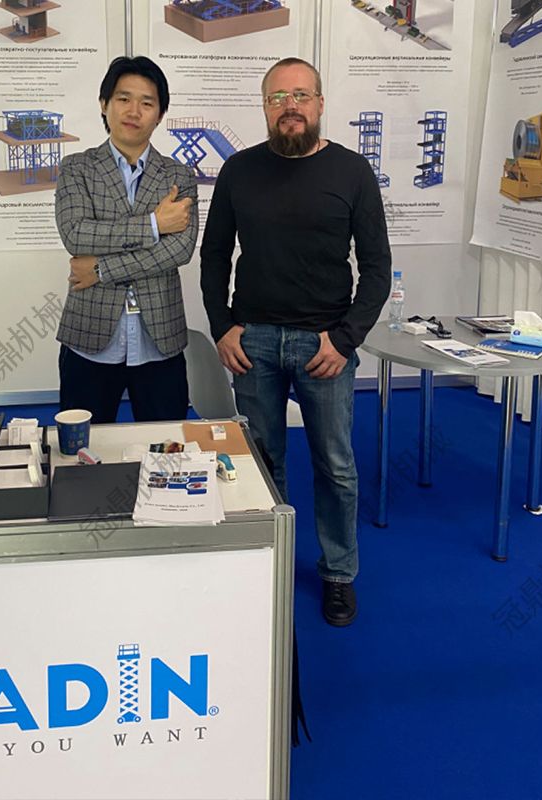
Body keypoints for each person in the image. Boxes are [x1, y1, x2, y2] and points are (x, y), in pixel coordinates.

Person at [200, 57, 391, 626]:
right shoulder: (238, 170)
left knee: (335, 466)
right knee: (261, 462)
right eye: (278, 97)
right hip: (252, 343)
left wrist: (346, 339)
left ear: (321, 103)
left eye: (301, 95)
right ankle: (269, 560)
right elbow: (214, 256)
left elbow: (376, 268)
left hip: (324, 347)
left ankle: (338, 574)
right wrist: (221, 325)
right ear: (264, 107)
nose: (290, 107)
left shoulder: (352, 171)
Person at [55, 56, 198, 423]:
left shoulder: (179, 175)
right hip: (89, 337)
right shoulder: (77, 168)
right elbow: (76, 234)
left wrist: (101, 269)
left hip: (159, 339)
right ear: (104, 105)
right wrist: (153, 224)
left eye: (147, 103)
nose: (134, 111)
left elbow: (179, 250)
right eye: (123, 99)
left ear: (160, 114)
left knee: (166, 446)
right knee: (83, 450)